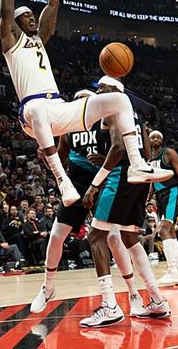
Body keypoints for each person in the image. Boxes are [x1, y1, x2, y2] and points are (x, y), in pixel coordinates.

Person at [0, 0, 172, 206]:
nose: (32, 19)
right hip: (31, 114)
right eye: (26, 16)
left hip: (58, 108)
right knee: (38, 109)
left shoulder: (39, 40)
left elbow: (53, 4)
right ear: (15, 23)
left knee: (120, 100)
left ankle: (137, 165)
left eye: (33, 15)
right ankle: (62, 181)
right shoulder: (10, 41)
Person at [79, 77, 171, 328]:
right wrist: (147, 181)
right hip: (138, 179)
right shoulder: (135, 115)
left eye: (102, 88)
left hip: (120, 177)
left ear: (115, 91)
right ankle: (157, 299)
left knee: (95, 236)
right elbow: (146, 153)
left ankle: (109, 305)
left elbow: (119, 147)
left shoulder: (112, 107)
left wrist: (95, 184)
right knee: (129, 237)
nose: (99, 91)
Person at [30, 89, 110, 313]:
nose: (80, 105)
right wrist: (46, 157)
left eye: (84, 101)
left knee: (115, 238)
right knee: (56, 235)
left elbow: (119, 155)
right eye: (77, 101)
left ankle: (132, 293)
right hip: (78, 186)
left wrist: (104, 160)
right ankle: (48, 288)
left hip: (104, 184)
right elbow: (59, 162)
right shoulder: (68, 131)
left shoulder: (105, 124)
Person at [148, 130, 178, 285]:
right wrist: (149, 196)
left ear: (162, 140)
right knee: (170, 232)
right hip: (159, 196)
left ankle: (172, 270)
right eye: (153, 137)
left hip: (171, 192)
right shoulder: (149, 159)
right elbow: (151, 180)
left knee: (164, 230)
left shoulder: (168, 153)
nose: (155, 138)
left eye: (158, 136)